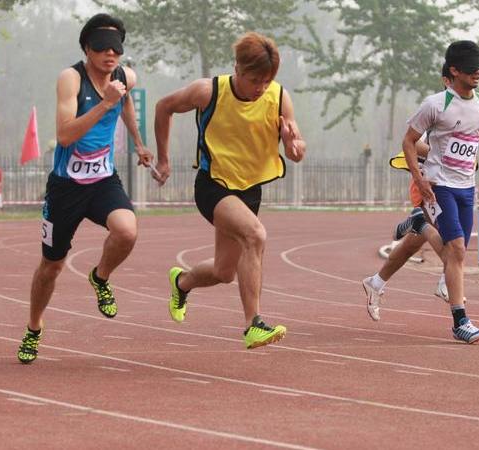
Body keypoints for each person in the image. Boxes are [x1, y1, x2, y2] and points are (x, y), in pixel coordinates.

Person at [153, 32, 306, 349]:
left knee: (225, 271)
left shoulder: (278, 97)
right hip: (213, 186)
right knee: (255, 235)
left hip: (250, 191)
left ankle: (182, 282)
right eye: (254, 80)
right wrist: (164, 159)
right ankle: (254, 325)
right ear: (237, 68)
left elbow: (296, 149)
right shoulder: (208, 91)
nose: (260, 88)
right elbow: (164, 107)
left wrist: (293, 144)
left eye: (266, 81)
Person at [17, 13, 153, 364]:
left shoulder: (125, 77)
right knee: (51, 267)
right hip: (66, 187)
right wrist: (106, 102)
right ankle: (34, 328)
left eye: (116, 50)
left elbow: (126, 107)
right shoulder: (71, 79)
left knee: (127, 231)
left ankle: (100, 276)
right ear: (87, 50)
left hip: (102, 181)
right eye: (102, 49)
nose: (110, 56)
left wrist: (139, 143)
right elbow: (64, 134)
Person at [364, 41, 479, 344]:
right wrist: (419, 178)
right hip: (438, 187)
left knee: (426, 246)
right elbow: (409, 141)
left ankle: (410, 237)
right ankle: (460, 321)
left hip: (467, 188)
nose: (477, 71)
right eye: (470, 66)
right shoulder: (436, 104)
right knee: (458, 250)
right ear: (453, 71)